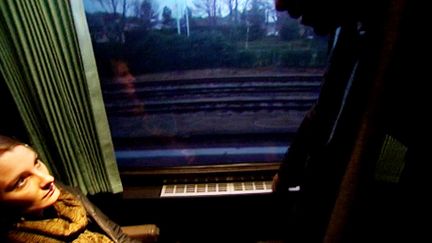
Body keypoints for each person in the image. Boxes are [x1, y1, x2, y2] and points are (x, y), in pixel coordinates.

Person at [0, 135, 156, 242]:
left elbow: (117, 236)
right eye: (21, 181)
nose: (48, 179)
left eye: (37, 162)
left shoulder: (66, 197)